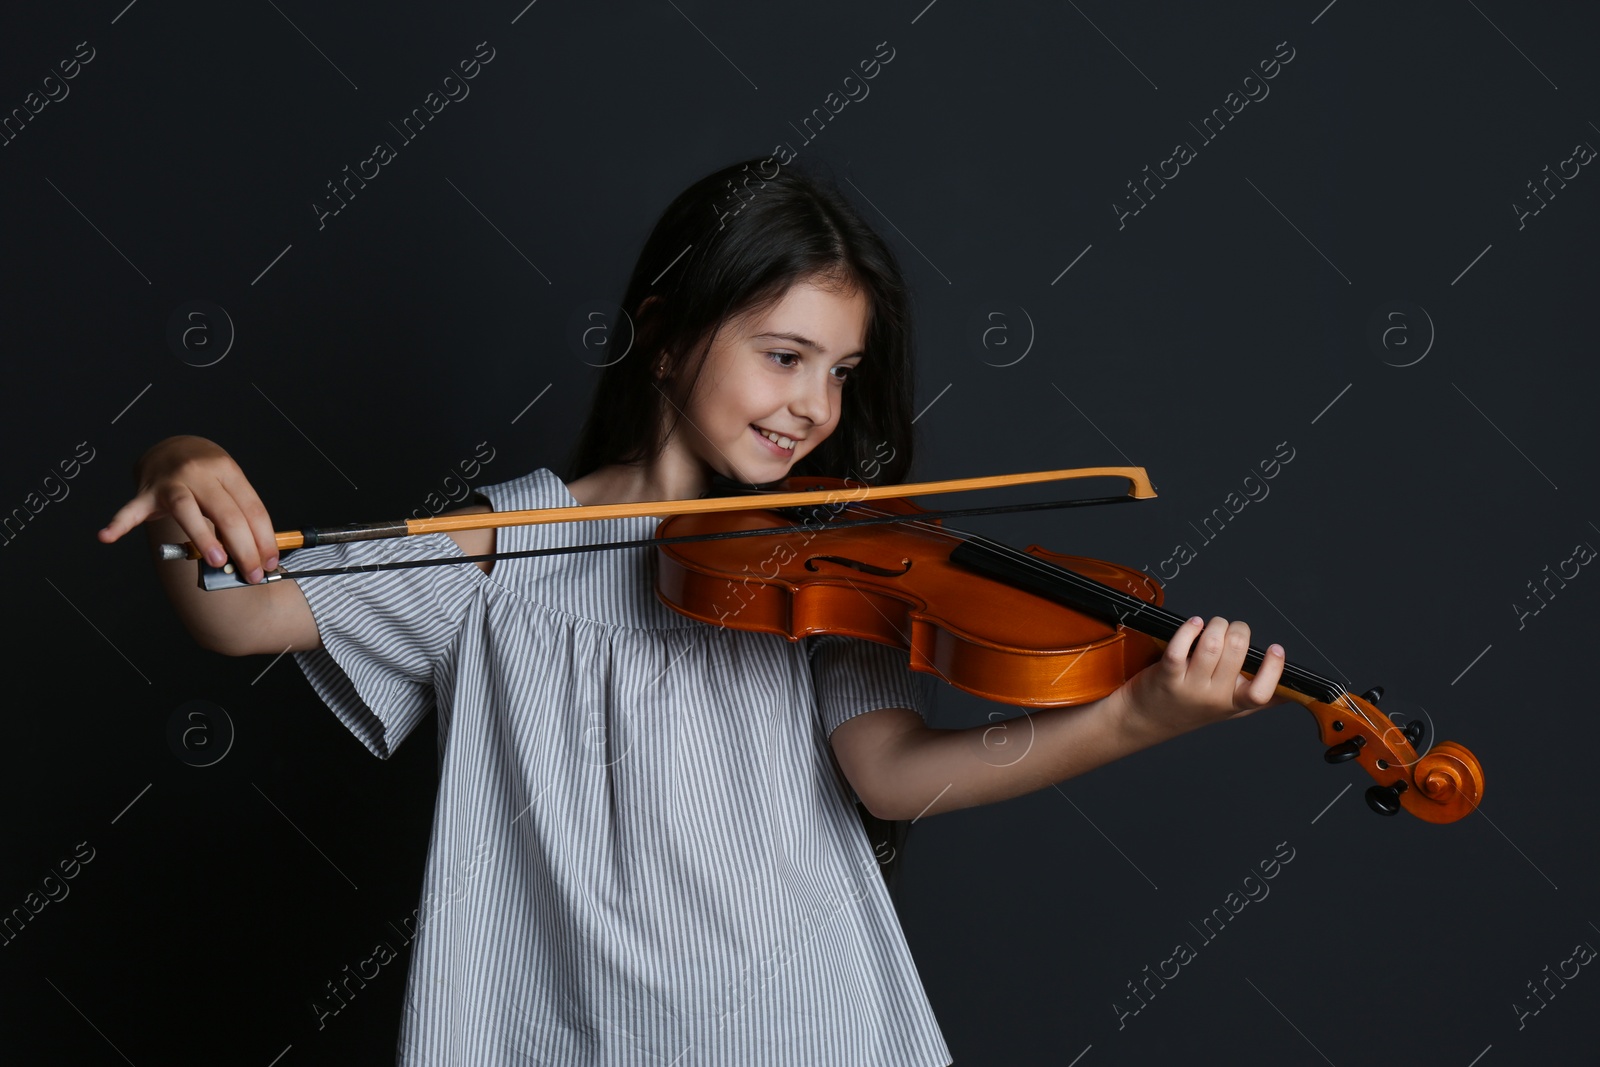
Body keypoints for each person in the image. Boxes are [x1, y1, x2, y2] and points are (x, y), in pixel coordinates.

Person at [98, 156, 1286, 1065]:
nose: (816, 405)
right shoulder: (503, 550)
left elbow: (890, 771)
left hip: (804, 1025)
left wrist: (1136, 718)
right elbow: (234, 614)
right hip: (549, 1028)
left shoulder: (830, 560)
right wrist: (182, 457)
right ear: (663, 339)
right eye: (784, 355)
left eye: (842, 371)